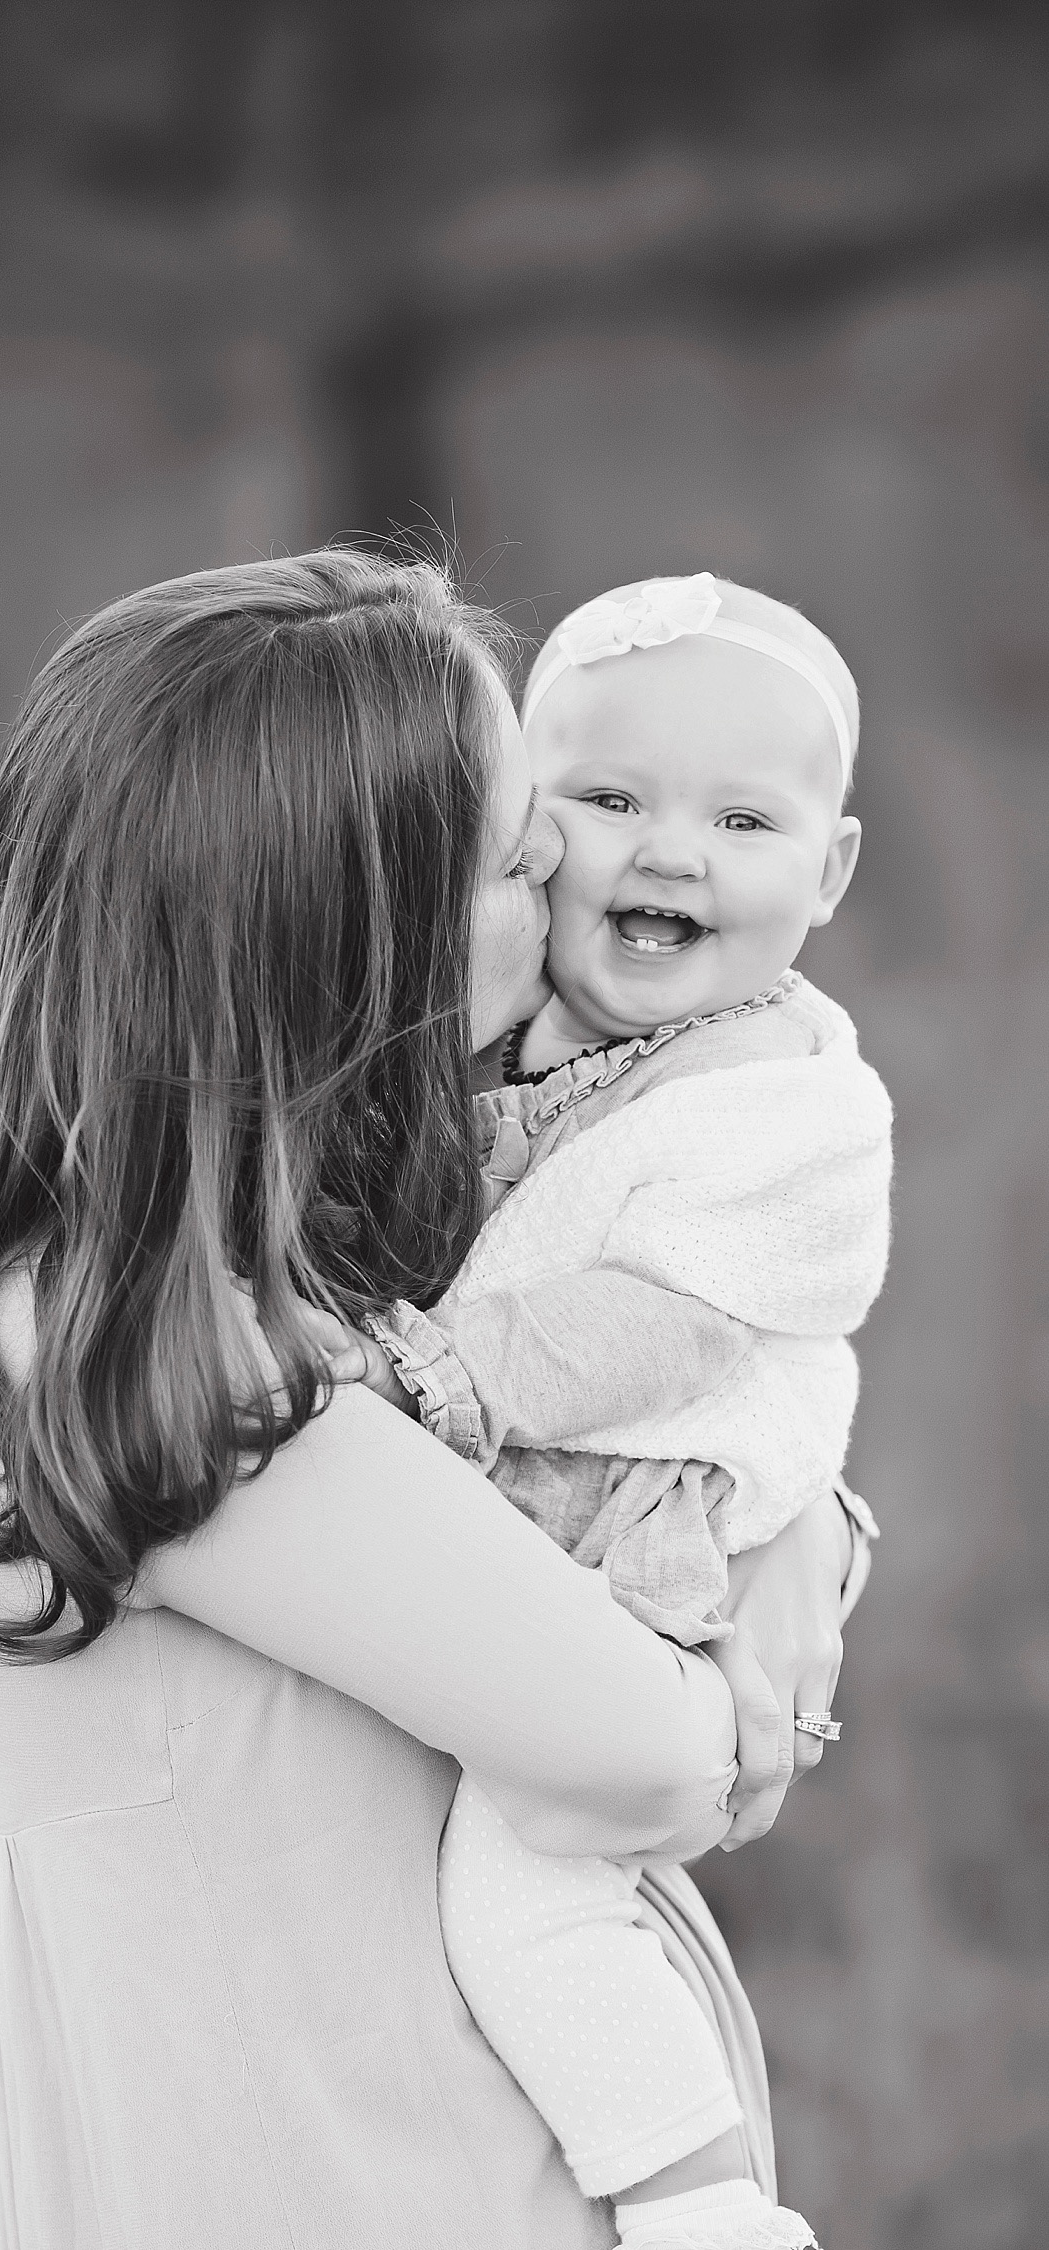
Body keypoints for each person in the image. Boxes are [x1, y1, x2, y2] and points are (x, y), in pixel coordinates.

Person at [0, 551, 867, 2249]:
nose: (577, 866)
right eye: (519, 851)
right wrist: (757, 1643)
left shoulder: (266, 1285)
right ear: (349, 937)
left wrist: (795, 1526)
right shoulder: (135, 1352)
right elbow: (646, 1749)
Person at [329, 572, 887, 2250]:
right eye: (609, 798)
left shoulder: (781, 1097)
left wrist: (447, 1371)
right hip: (518, 1541)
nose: (670, 854)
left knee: (527, 1899)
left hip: (639, 1535)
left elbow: (665, 1319)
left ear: (832, 870)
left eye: (740, 818)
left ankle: (700, 2204)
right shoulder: (504, 1035)